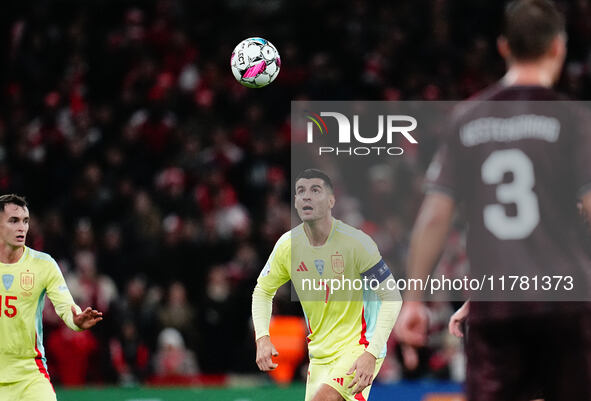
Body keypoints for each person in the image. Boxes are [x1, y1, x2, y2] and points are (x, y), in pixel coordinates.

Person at [395, 1, 591, 400]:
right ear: (558, 47)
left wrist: (414, 298)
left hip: (497, 305)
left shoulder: (466, 118)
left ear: (503, 47)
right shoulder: (572, 120)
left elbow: (435, 217)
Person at [252, 169, 401, 401]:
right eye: (300, 191)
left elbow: (392, 297)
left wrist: (371, 354)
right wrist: (262, 337)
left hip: (359, 346)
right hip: (319, 355)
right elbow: (262, 291)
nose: (306, 197)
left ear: (331, 201)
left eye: (315, 190)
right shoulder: (288, 246)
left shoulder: (357, 243)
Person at [0, 194, 103, 400]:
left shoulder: (43, 264)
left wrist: (75, 320)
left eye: (25, 221)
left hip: (31, 376)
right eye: (14, 221)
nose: (22, 227)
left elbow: (66, 306)